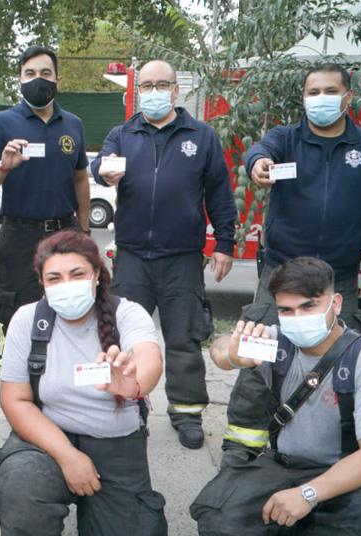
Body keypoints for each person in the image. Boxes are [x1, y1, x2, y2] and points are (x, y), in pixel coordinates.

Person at [191, 257, 361, 535]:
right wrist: (232, 355)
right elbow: (219, 348)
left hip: (344, 473)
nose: (298, 319)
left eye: (308, 306)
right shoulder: (275, 343)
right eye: (286, 310)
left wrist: (307, 494)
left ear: (335, 304)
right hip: (282, 466)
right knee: (221, 517)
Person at [92, 59, 238, 449]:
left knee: (183, 338)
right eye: (147, 86)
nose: (154, 92)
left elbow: (220, 194)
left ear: (176, 91)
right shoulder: (123, 134)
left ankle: (187, 411)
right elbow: (99, 164)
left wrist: (225, 243)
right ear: (138, 91)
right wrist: (103, 171)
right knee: (121, 338)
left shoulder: (202, 136)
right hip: (133, 257)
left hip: (182, 258)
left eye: (162, 85)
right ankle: (127, 404)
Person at [0, 230, 167, 535]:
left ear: (97, 274)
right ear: (42, 283)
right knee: (21, 489)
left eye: (77, 274)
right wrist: (67, 456)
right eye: (55, 278)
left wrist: (133, 384)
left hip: (116, 442)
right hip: (49, 437)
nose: (66, 285)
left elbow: (149, 359)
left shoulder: (127, 313)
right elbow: (15, 400)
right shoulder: (27, 320)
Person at [242, 63, 361, 334]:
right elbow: (261, 150)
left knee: (342, 363)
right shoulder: (285, 138)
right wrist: (258, 162)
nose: (320, 98)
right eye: (313, 92)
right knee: (260, 361)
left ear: (348, 97)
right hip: (281, 273)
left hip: (341, 279)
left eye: (330, 91)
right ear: (303, 98)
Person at [0, 45, 91, 371]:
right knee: (16, 313)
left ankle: (61, 384)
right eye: (29, 74)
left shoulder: (74, 125)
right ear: (19, 79)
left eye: (45, 73)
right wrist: (3, 166)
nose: (37, 80)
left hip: (64, 233)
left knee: (68, 309)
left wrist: (83, 230)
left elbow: (81, 178)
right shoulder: (1, 123)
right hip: (19, 234)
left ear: (57, 79)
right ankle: (18, 388)